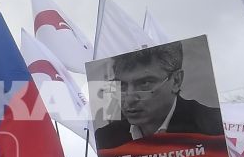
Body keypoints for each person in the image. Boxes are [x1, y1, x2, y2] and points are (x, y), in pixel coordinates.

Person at [93, 40, 226, 147]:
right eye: (121, 85)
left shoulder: (215, 127)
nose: (129, 99)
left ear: (176, 81)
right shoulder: (106, 140)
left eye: (144, 83)